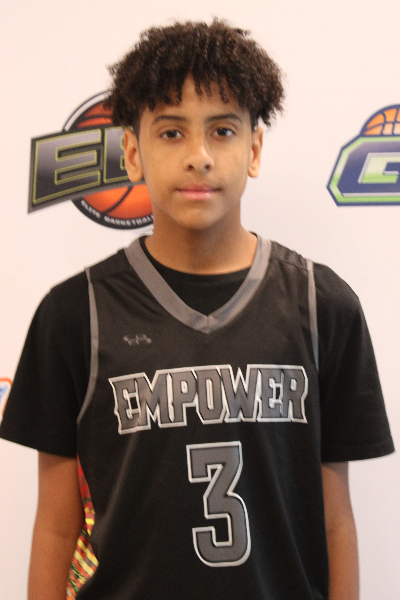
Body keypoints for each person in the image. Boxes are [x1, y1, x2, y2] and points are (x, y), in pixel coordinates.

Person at [0, 19, 394, 600]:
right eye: (171, 132)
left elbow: (336, 521)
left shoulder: (323, 306)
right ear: (132, 153)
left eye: (223, 130)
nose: (200, 156)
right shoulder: (74, 315)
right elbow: (56, 527)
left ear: (253, 149)